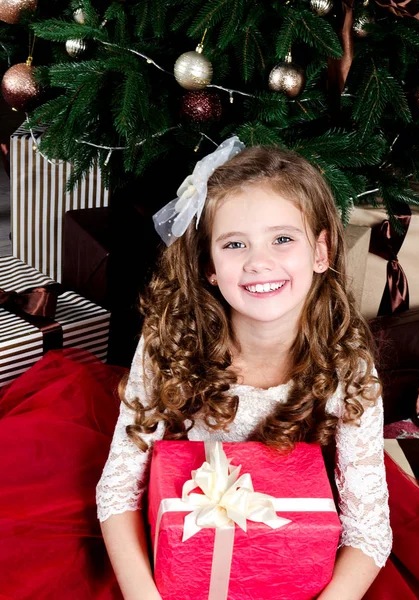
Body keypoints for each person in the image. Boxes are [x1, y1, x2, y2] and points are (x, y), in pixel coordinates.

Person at [96, 138, 393, 600]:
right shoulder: (170, 342)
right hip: (183, 544)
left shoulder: (347, 366)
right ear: (209, 266)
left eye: (282, 239)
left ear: (321, 252)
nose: (259, 262)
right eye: (235, 244)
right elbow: (117, 491)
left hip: (293, 552)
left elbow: (369, 533)